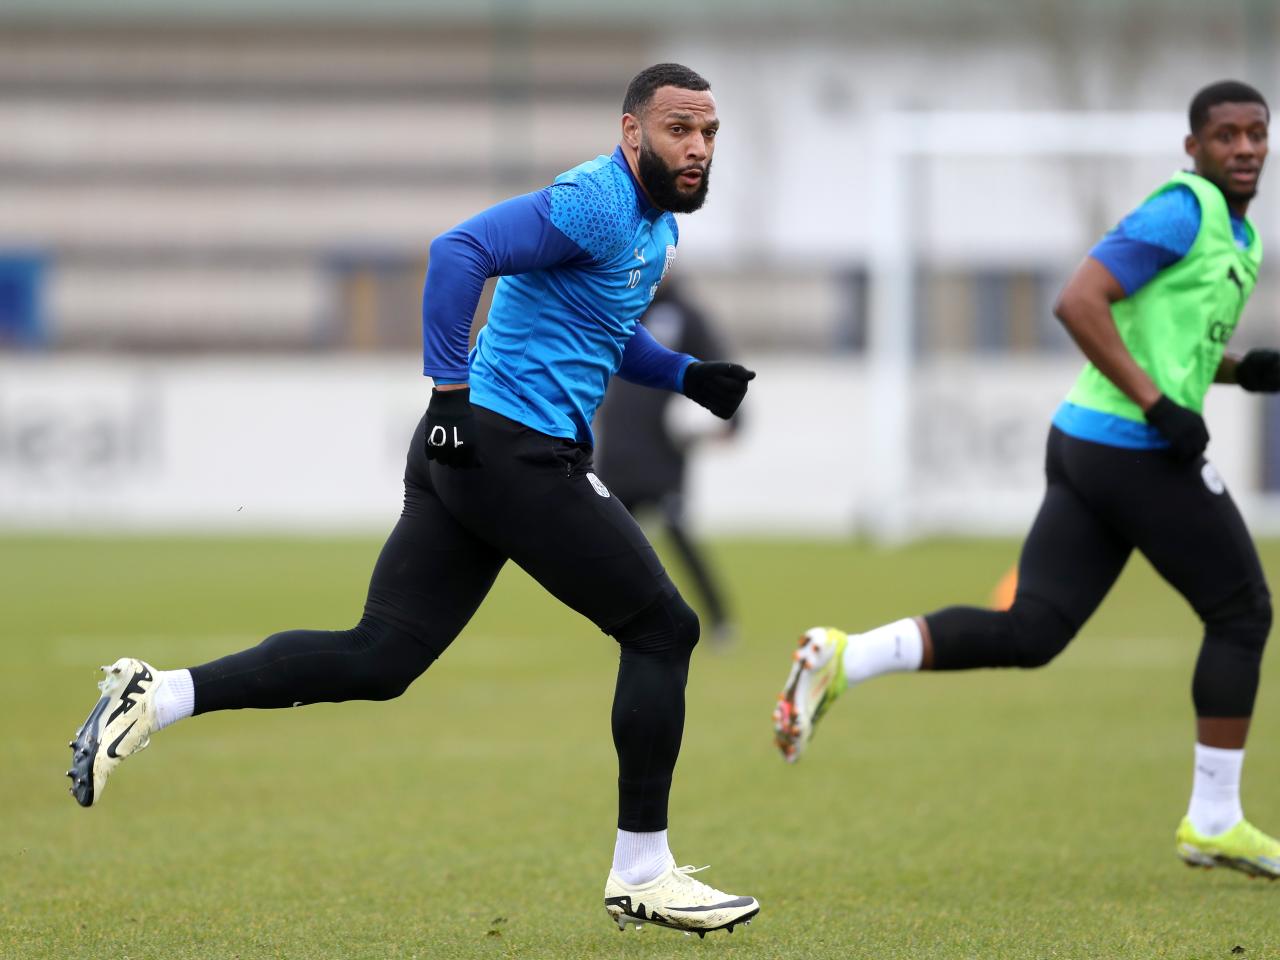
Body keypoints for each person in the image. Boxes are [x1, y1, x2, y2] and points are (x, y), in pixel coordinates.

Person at [67, 63, 760, 936]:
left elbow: (606, 333)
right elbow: (458, 251)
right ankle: (643, 871)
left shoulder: (653, 228)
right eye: (678, 131)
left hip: (475, 459)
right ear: (632, 134)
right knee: (664, 627)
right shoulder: (596, 200)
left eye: (707, 134)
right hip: (506, 452)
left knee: (379, 658)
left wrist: (689, 376)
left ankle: (157, 694)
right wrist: (448, 393)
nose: (696, 149)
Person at [773, 80, 1280, 879]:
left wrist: (1243, 370)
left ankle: (847, 655)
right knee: (1243, 611)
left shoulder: (1238, 236)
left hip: (1088, 443)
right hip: (1130, 447)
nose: (1245, 148)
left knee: (1034, 630)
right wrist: (1158, 408)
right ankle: (1215, 819)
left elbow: (1160, 335)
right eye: (1227, 135)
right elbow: (1079, 301)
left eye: (1257, 133)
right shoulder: (1183, 208)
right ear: (1195, 148)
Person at [595, 279, 740, 645]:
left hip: (662, 453)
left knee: (679, 537)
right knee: (607, 543)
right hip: (617, 450)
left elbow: (718, 365)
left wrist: (732, 419)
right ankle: (623, 622)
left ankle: (719, 620)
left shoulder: (685, 315)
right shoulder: (620, 302)